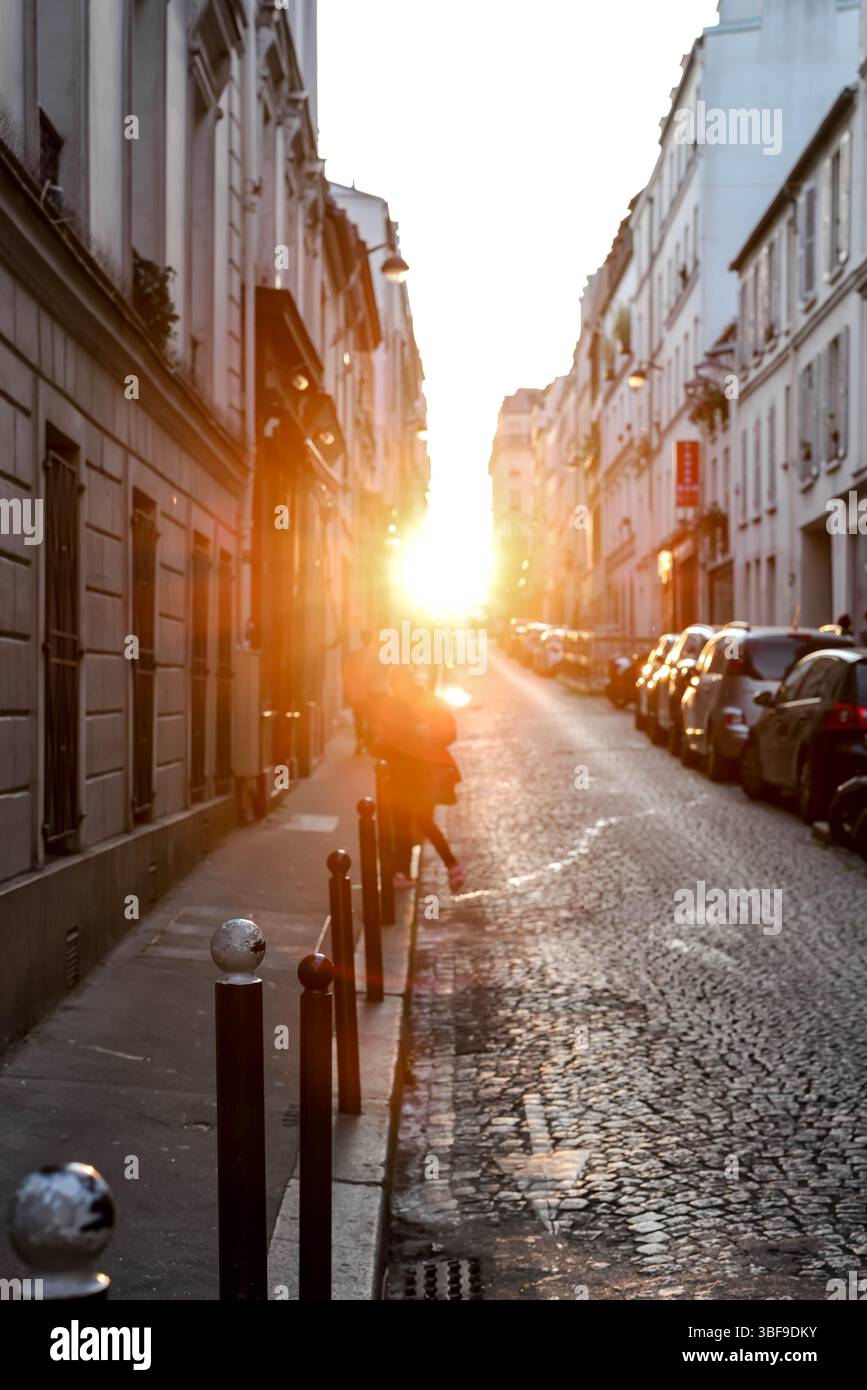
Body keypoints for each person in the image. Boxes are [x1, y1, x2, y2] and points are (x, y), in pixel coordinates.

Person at [375, 667, 466, 892]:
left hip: (424, 775)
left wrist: (426, 733)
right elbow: (384, 740)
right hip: (401, 774)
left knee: (421, 821)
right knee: (403, 823)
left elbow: (449, 731)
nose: (398, 689)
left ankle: (450, 865)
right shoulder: (392, 705)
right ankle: (404, 873)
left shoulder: (426, 701)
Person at [342, 630, 378, 754]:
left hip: (358, 694)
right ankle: (367, 743)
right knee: (371, 719)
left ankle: (360, 742)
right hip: (372, 694)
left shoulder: (354, 655)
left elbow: (347, 675)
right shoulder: (376, 656)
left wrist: (349, 691)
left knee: (359, 719)